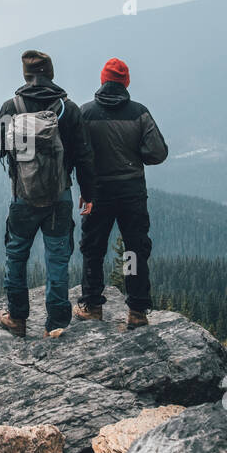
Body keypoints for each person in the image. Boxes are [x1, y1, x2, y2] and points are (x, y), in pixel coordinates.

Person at [0, 50, 96, 338]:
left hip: (22, 195)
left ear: (26, 75)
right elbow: (85, 155)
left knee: (16, 256)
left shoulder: (11, 106)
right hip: (59, 195)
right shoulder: (68, 109)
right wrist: (87, 193)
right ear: (50, 74)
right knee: (57, 259)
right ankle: (57, 324)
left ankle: (17, 317)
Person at [75, 58, 168, 328]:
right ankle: (137, 311)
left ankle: (92, 305)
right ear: (126, 83)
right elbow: (158, 153)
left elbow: (78, 154)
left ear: (103, 80)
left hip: (98, 192)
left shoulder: (85, 113)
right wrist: (134, 154)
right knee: (134, 250)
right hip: (132, 193)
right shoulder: (139, 113)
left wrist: (86, 185)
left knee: (93, 248)